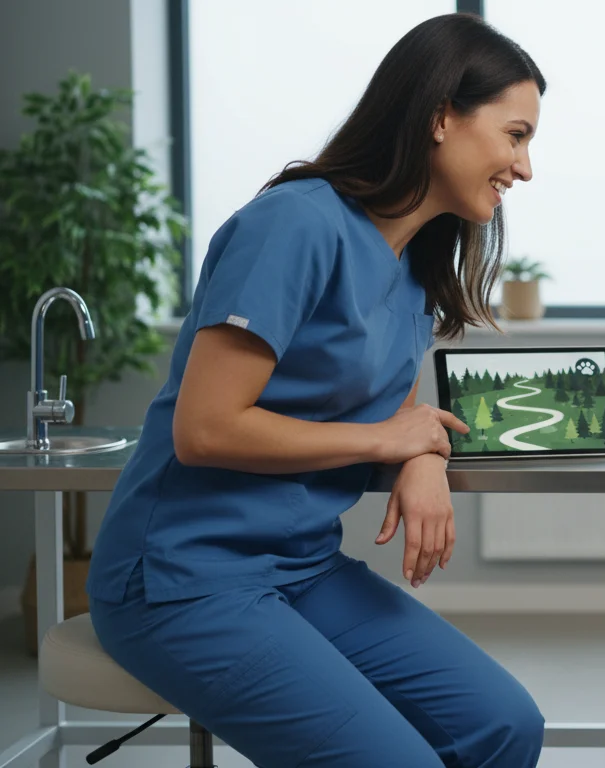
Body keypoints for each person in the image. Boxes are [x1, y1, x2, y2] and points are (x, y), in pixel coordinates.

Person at [85, 14, 547, 767]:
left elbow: (381, 401)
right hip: (182, 576)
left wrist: (423, 456)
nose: (524, 167)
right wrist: (390, 441)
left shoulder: (412, 263)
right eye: (516, 135)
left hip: (302, 567)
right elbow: (205, 429)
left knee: (505, 725)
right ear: (440, 118)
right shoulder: (293, 225)